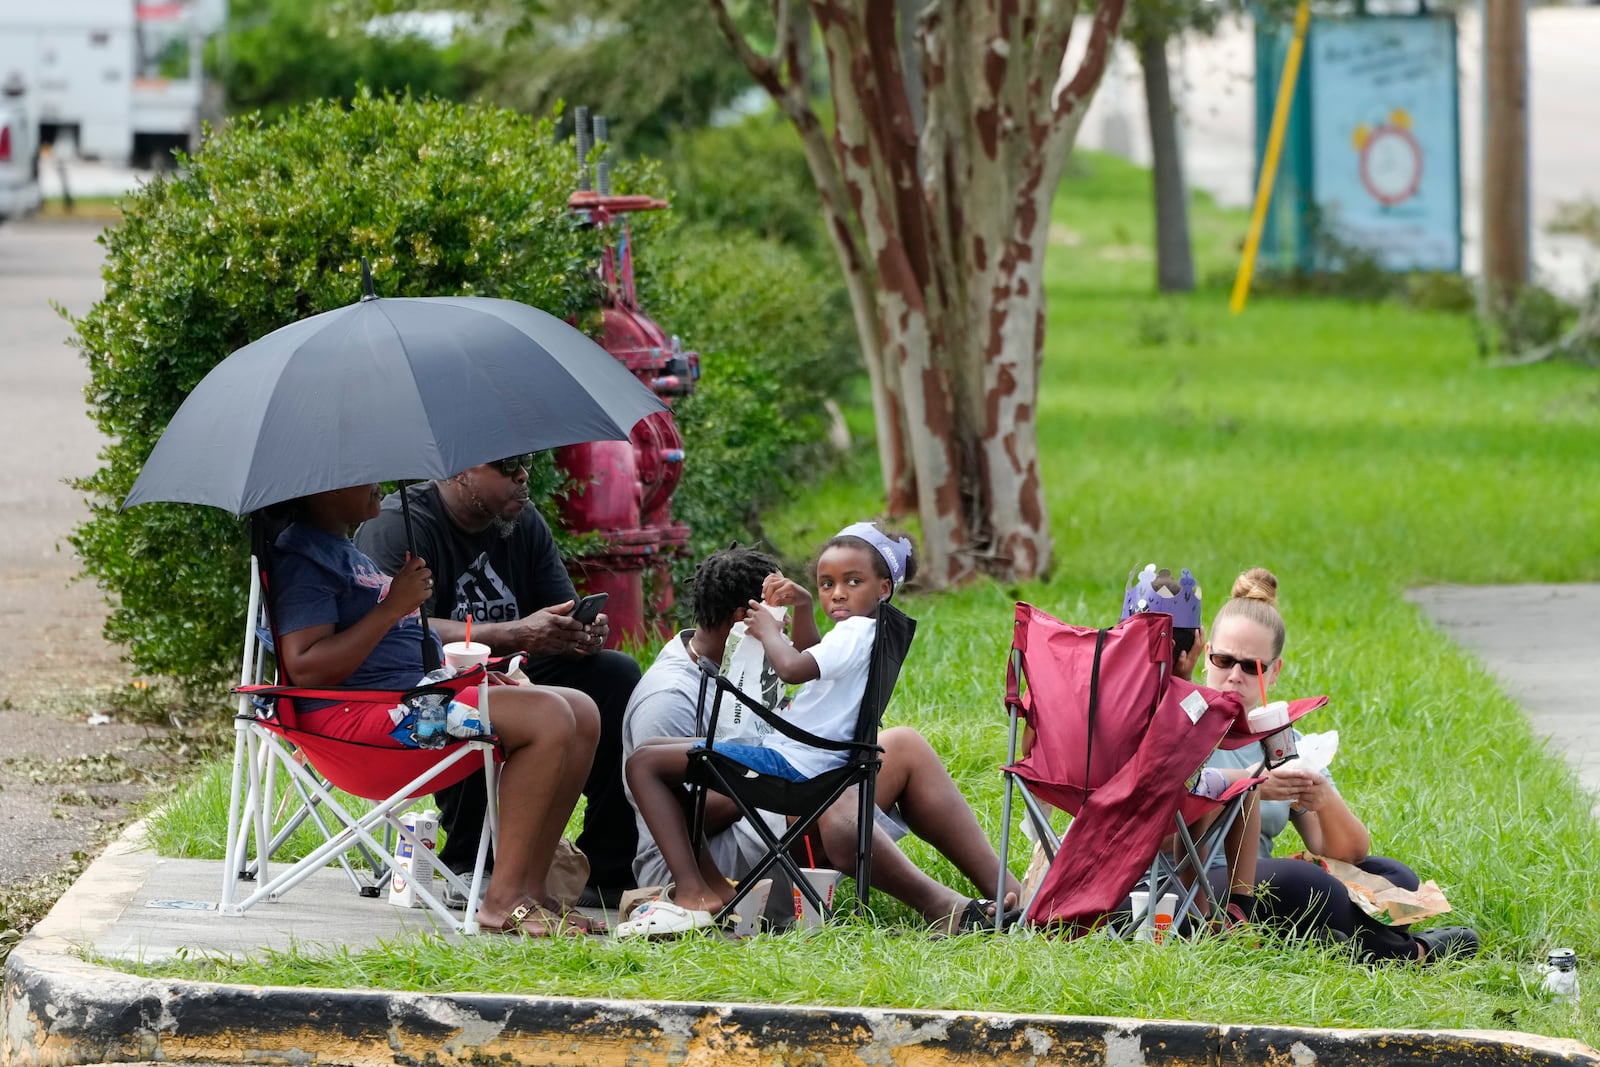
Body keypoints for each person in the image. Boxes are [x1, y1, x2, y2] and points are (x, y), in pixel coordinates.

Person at [618, 530, 1021, 937]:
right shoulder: (670, 697)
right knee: (829, 788)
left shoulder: (773, 655)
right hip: (702, 855)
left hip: (777, 784)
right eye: (781, 616)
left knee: (900, 747)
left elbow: (803, 660)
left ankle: (1010, 894)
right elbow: (686, 816)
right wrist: (745, 771)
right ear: (747, 620)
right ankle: (944, 906)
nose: (788, 626)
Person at [268, 483, 600, 936]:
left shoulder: (343, 551)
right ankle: (501, 902)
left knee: (580, 710)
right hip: (364, 726)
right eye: (364, 477)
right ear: (322, 490)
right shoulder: (302, 559)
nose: (378, 486)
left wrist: (469, 679)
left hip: (411, 702)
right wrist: (394, 607)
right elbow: (306, 668)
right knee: (548, 716)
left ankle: (533, 890)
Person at [354, 457, 641, 905]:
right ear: (457, 472)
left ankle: (606, 866)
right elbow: (390, 630)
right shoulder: (399, 527)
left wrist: (580, 632)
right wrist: (510, 634)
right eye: (507, 467)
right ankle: (472, 860)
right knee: (474, 690)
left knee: (614, 676)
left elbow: (556, 609)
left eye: (524, 465)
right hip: (425, 676)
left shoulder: (522, 520)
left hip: (515, 665)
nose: (522, 477)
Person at [1201, 567, 1478, 963]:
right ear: (1206, 655)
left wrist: (1321, 794)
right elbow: (1166, 815)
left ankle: (1333, 938)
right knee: (1308, 883)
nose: (1233, 676)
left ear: (1274, 673)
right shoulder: (1186, 728)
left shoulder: (1282, 742)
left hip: (1260, 888)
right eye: (1224, 660)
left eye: (1252, 667)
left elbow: (1344, 851)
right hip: (1192, 881)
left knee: (1395, 877)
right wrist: (1252, 784)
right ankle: (1409, 952)